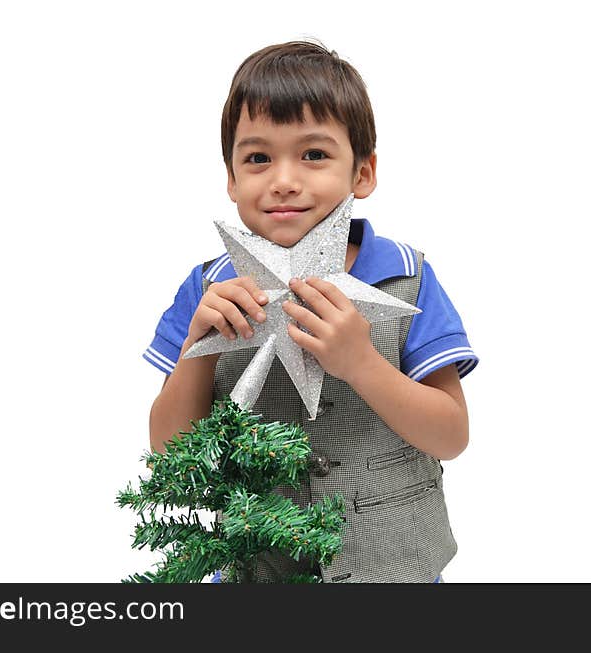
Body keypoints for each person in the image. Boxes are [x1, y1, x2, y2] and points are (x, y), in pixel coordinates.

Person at [143, 40, 478, 583]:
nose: (283, 180)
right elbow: (169, 453)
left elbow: (452, 436)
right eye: (257, 158)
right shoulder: (209, 287)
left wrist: (361, 364)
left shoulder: (405, 278)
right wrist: (198, 351)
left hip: (393, 570)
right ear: (230, 178)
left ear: (363, 173)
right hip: (259, 572)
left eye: (314, 154)